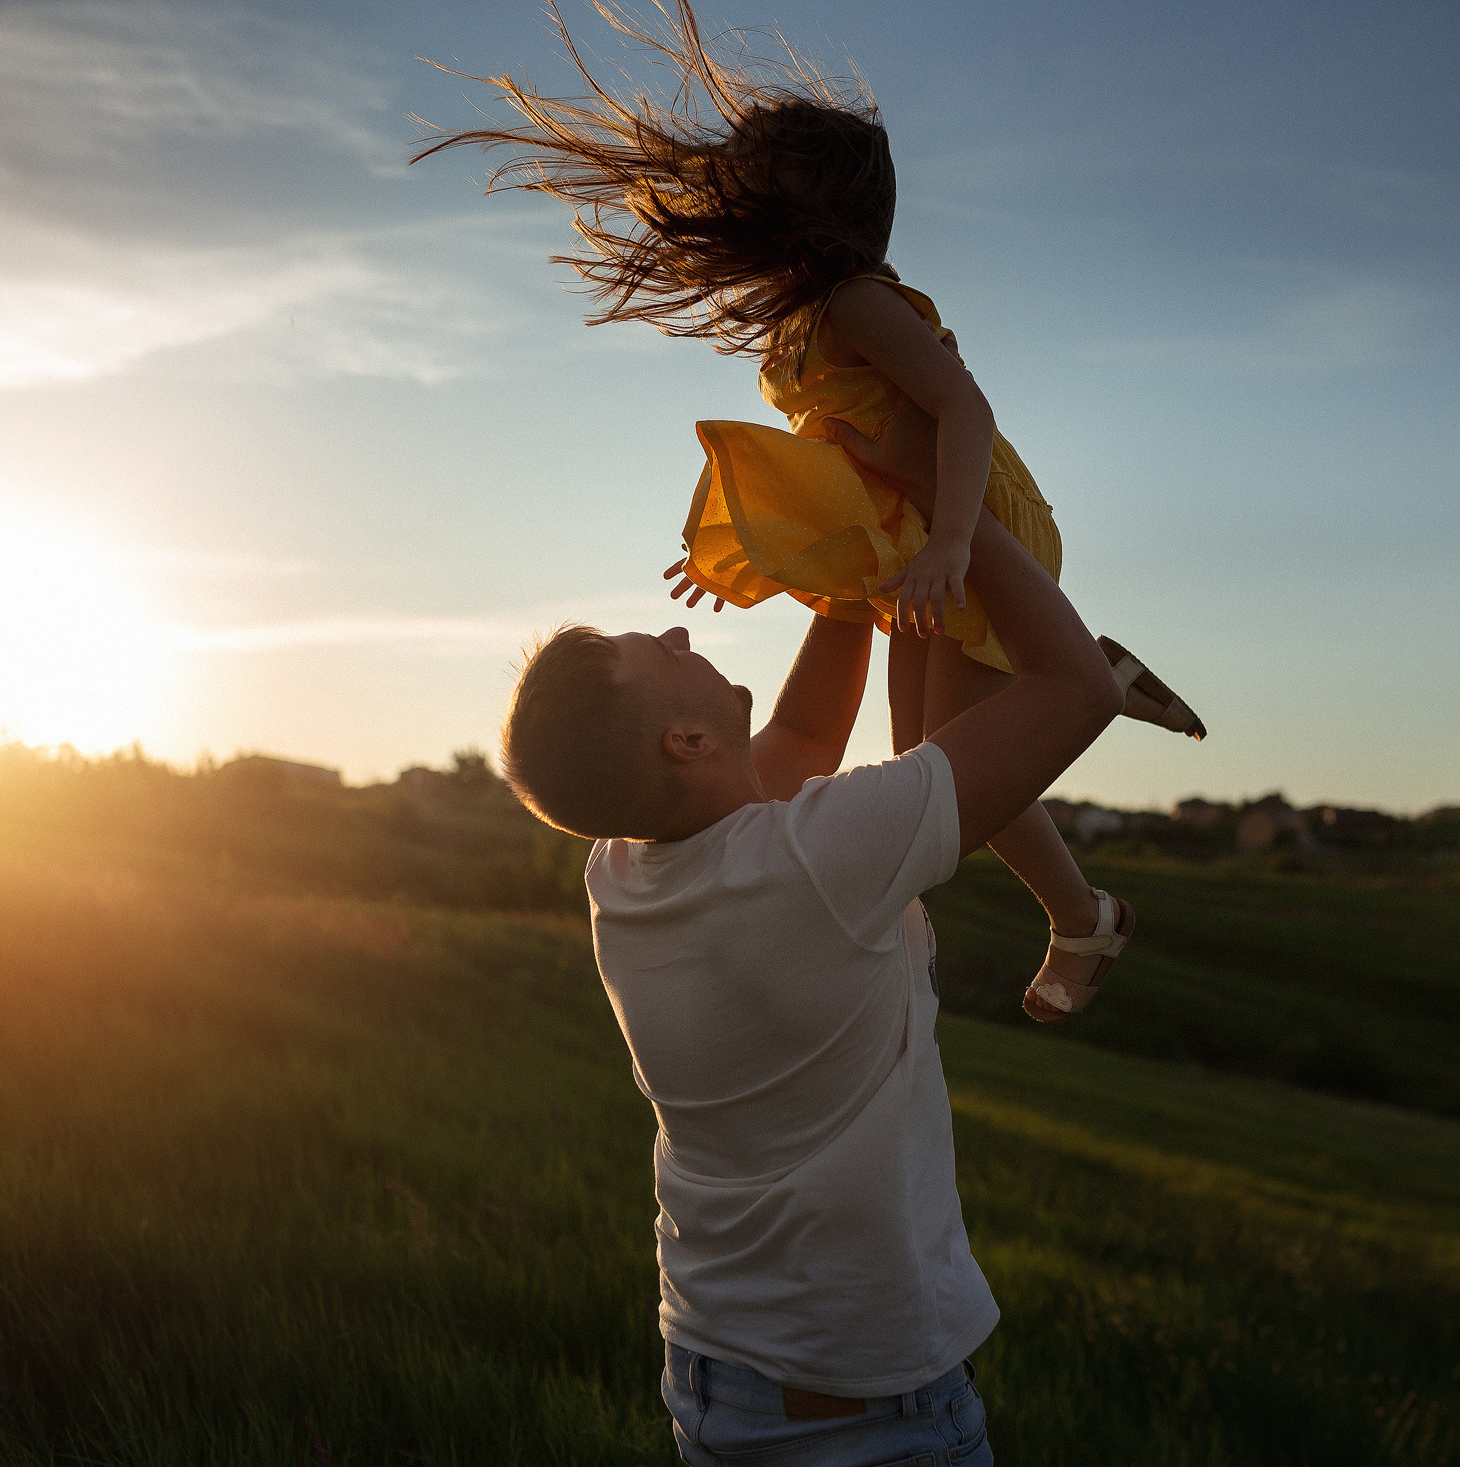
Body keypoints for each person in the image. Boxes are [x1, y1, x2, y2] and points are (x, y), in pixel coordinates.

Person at [418, 0, 1201, 1021]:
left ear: (806, 221)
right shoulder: (799, 325)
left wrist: (957, 540)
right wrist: (751, 554)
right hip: (916, 539)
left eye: (752, 195)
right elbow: (820, 463)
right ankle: (1081, 808)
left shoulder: (857, 305)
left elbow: (962, 404)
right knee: (936, 769)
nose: (732, 208)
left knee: (946, 783)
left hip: (960, 529)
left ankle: (1083, 892)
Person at [497, 406, 1123, 1465]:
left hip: (727, 1366)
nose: (686, 632)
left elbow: (798, 742)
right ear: (684, 737)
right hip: (863, 1413)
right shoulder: (811, 861)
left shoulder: (627, 872)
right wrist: (933, 496)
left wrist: (846, 549)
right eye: (665, 649)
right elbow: (1078, 689)